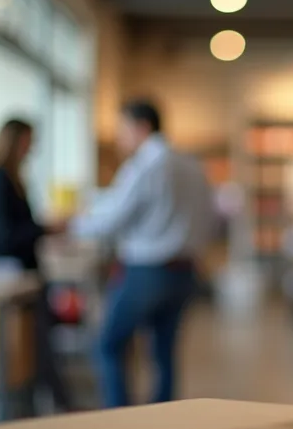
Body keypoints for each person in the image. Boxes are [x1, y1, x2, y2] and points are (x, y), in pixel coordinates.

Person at [67, 100, 215, 408]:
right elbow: (209, 217)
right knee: (164, 353)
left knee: (108, 345)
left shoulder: (144, 165)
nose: (120, 138)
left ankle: (120, 418)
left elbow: (112, 219)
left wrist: (70, 225)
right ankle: (162, 418)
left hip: (147, 271)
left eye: (123, 129)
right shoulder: (191, 165)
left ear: (142, 127)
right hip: (185, 271)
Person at [0, 118, 73, 412]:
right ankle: (58, 406)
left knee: (38, 347)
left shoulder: (10, 179)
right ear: (15, 141)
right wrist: (44, 229)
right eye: (29, 141)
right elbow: (3, 235)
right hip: (10, 280)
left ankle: (53, 405)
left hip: (22, 277)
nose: (32, 148)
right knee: (35, 348)